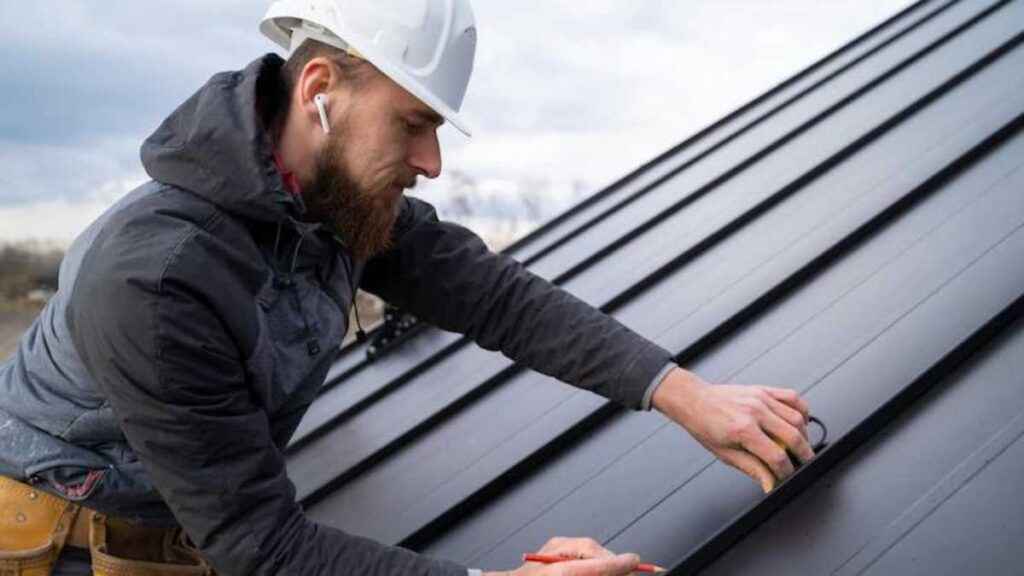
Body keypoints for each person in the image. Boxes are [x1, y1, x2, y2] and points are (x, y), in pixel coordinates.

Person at [0, 1, 815, 575]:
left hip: (181, 535)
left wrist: (680, 393)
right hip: (58, 550)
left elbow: (495, 297)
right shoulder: (157, 278)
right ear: (321, 90)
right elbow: (261, 546)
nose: (431, 163)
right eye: (412, 123)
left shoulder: (329, 204)